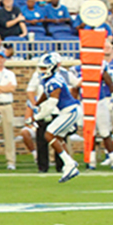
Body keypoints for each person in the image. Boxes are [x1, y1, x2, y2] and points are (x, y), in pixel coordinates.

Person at [33, 52, 82, 183]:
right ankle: (69, 164)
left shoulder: (55, 81)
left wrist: (37, 116)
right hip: (68, 111)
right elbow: (45, 94)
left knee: (49, 135)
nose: (42, 70)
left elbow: (51, 104)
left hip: (70, 111)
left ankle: (69, 164)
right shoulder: (51, 79)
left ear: (52, 67)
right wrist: (37, 104)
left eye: (44, 67)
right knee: (58, 137)